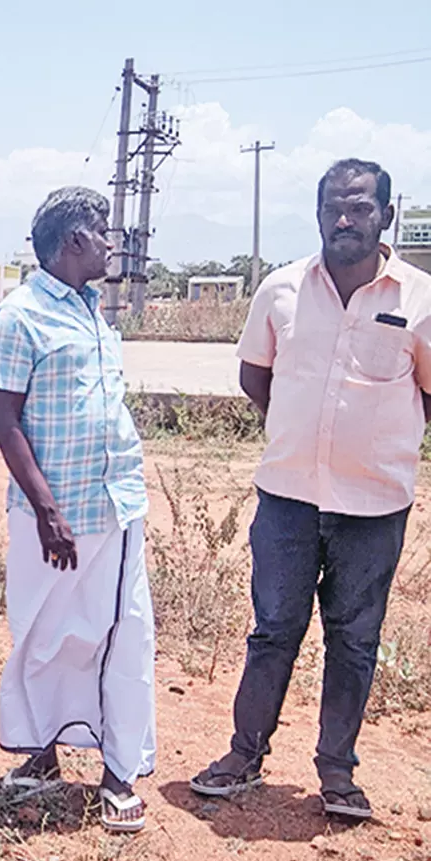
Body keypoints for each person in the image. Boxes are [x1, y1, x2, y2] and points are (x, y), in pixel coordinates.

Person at [191, 159, 431, 820]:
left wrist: (373, 441)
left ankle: (337, 774)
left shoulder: (420, 299)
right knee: (273, 631)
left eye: (359, 207)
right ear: (319, 214)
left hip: (373, 507)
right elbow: (256, 376)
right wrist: (301, 433)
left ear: (386, 214)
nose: (344, 219)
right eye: (333, 208)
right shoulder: (282, 288)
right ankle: (244, 755)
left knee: (354, 641)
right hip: (288, 499)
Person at [0, 186, 155, 834]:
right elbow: (5, 421)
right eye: (104, 232)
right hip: (51, 517)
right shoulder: (19, 316)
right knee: (44, 636)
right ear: (75, 240)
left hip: (115, 506)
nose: (113, 243)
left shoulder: (91, 310)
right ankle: (41, 753)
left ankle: (118, 773)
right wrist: (47, 510)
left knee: (122, 636)